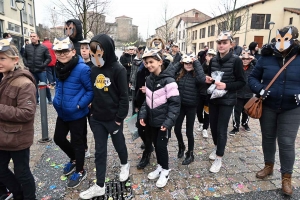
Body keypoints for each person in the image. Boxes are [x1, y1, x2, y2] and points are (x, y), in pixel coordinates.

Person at [248, 26, 300, 196]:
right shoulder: (266, 57)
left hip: (292, 108)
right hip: (269, 105)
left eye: (286, 39)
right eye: (279, 39)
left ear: (294, 40)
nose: (282, 43)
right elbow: (252, 77)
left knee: (286, 142)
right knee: (268, 138)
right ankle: (268, 166)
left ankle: (286, 177)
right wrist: (260, 89)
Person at [79, 34, 130, 199]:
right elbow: (92, 91)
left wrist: (118, 119)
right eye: (92, 54)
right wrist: (91, 110)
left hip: (113, 118)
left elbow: (124, 97)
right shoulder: (93, 69)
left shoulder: (119, 69)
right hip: (97, 118)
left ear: (106, 50)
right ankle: (99, 185)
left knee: (119, 143)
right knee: (100, 151)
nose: (95, 57)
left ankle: (124, 164)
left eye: (98, 53)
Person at [52, 37, 93, 188]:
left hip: (76, 114)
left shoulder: (83, 69)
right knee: (58, 138)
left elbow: (90, 91)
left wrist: (79, 105)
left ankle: (81, 170)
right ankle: (74, 159)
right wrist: (57, 100)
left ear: (73, 51)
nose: (62, 54)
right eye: (58, 51)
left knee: (78, 143)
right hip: (62, 112)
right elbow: (58, 85)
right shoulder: (58, 66)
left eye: (65, 51)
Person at [139, 48, 181, 188]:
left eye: (151, 62)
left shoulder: (169, 81)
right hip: (152, 121)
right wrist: (143, 114)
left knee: (161, 146)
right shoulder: (149, 79)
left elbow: (175, 104)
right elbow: (147, 100)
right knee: (156, 145)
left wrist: (168, 122)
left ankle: (165, 170)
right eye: (146, 63)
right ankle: (160, 166)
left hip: (163, 122)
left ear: (160, 62)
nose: (148, 65)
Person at [0, 39, 36, 200]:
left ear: (15, 60)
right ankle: (18, 194)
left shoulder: (24, 83)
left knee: (22, 172)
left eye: (2, 58)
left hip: (18, 137)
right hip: (2, 136)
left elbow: (27, 113)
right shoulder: (3, 78)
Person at [205, 31, 245, 173]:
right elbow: (210, 76)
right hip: (213, 99)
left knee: (222, 129)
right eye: (219, 43)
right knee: (213, 128)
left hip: (227, 100)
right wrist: (208, 80)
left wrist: (226, 86)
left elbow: (242, 82)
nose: (221, 45)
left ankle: (219, 158)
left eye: (224, 42)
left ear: (231, 44)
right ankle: (217, 147)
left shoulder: (236, 61)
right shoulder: (214, 60)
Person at [170, 54, 206, 165]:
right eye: (186, 63)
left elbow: (202, 79)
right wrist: (179, 63)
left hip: (191, 106)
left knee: (189, 131)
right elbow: (168, 72)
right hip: (180, 106)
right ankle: (181, 145)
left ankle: (190, 153)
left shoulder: (197, 75)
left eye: (190, 63)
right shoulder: (179, 74)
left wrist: (196, 62)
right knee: (177, 129)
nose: (188, 65)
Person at [229, 50, 255, 136]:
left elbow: (260, 66)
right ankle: (236, 127)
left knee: (246, 111)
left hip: (249, 93)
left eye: (247, 59)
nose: (245, 60)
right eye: (243, 58)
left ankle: (245, 123)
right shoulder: (237, 67)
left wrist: (253, 59)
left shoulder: (253, 68)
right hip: (238, 93)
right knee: (236, 112)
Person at [23, 33, 52, 104]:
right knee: (33, 87)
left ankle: (49, 99)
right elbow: (24, 57)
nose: (32, 38)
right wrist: (26, 64)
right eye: (31, 36)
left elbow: (48, 58)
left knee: (45, 86)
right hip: (32, 71)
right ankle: (36, 100)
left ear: (38, 38)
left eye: (34, 36)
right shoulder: (27, 47)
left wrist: (43, 65)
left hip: (41, 71)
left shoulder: (43, 47)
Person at [79, 39, 94, 158]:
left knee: (94, 126)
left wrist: (93, 100)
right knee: (81, 128)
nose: (84, 51)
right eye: (82, 49)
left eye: (86, 48)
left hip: (92, 103)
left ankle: (99, 148)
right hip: (81, 102)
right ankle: (84, 148)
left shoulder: (95, 65)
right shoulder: (77, 64)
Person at [197, 49, 216, 138]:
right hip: (200, 92)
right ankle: (201, 123)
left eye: (213, 56)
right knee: (198, 111)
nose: (211, 58)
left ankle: (205, 128)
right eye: (209, 56)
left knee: (207, 112)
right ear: (206, 56)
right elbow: (198, 76)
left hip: (210, 94)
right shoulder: (202, 66)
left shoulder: (215, 67)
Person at [130, 46, 145, 115]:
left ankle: (140, 111)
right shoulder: (134, 60)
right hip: (134, 81)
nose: (140, 53)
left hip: (141, 82)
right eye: (139, 52)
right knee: (134, 97)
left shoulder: (144, 61)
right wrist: (130, 81)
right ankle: (134, 111)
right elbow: (132, 71)